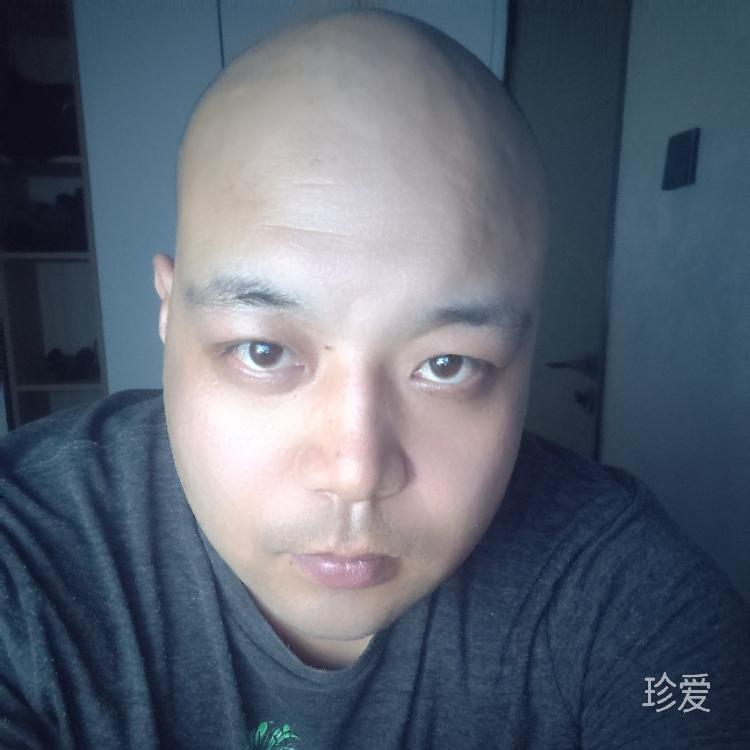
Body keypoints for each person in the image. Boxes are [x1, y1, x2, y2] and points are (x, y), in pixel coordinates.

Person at [1, 10, 748, 749]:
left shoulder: (628, 601)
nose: (355, 473)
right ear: (169, 312)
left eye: (447, 364)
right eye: (263, 351)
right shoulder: (29, 556)